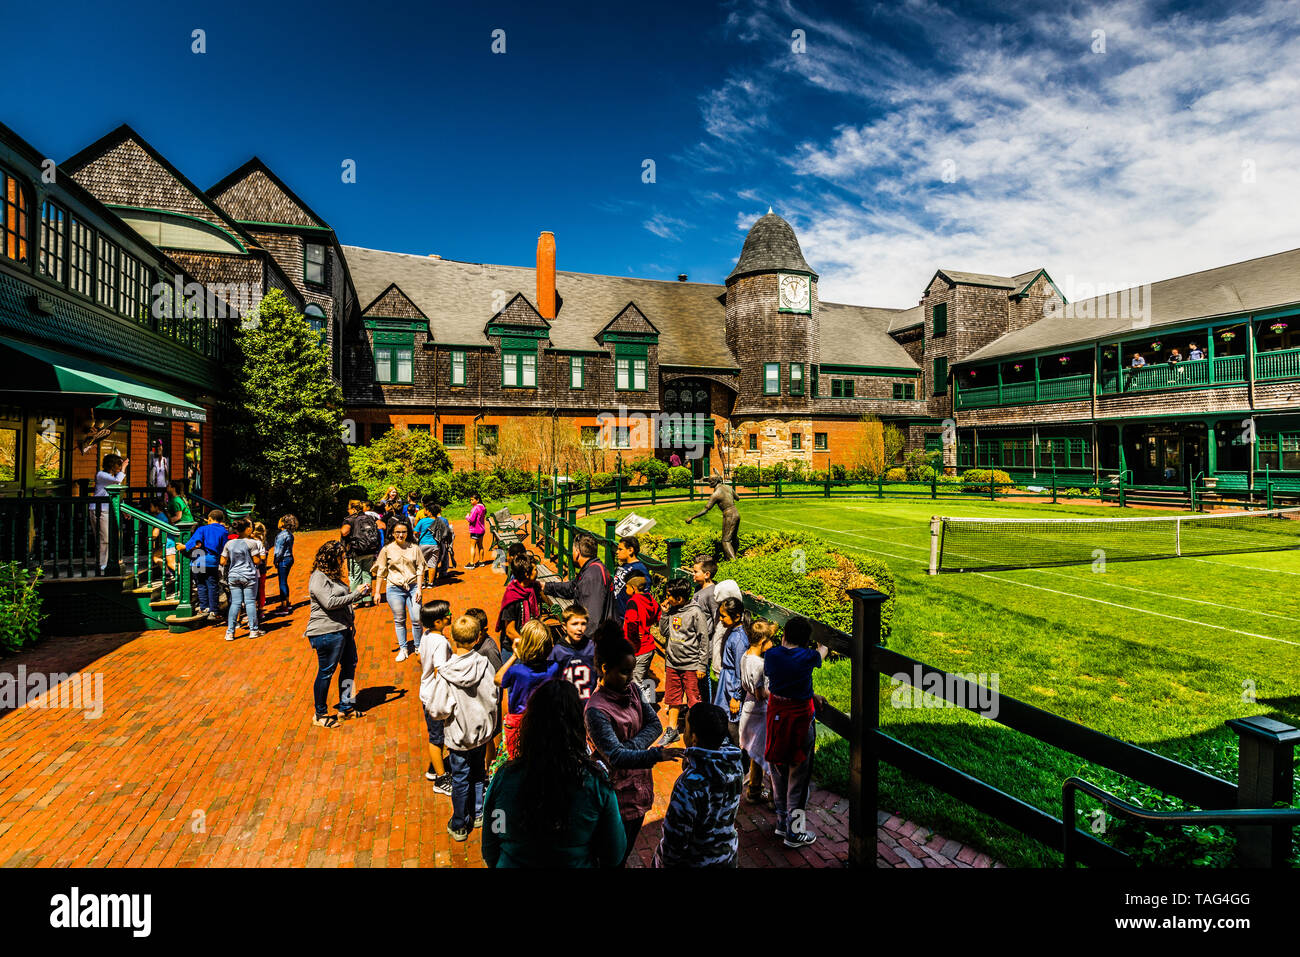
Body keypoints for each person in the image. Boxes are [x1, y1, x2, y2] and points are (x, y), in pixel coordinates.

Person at [481, 678, 627, 867]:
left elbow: (492, 841)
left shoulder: (504, 778)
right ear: (578, 726)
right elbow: (614, 853)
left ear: (530, 724)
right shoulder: (596, 783)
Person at [584, 630, 683, 865]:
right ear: (605, 668)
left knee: (624, 851)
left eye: (631, 671)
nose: (630, 678)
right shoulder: (596, 710)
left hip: (638, 788)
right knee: (610, 857)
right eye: (624, 672)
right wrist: (653, 753)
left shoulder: (634, 690)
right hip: (614, 796)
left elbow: (655, 725)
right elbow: (617, 758)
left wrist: (627, 749)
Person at [425, 614, 499, 841]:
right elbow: (493, 696)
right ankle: (477, 813)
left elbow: (438, 710)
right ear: (478, 638)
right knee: (479, 774)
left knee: (459, 779)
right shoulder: (485, 664)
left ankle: (459, 823)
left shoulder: (446, 673)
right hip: (480, 734)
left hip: (458, 738)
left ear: (452, 637)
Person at [651, 702, 744, 868]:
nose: (683, 731)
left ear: (693, 737)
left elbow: (674, 844)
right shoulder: (735, 764)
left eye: (685, 727)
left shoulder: (688, 785)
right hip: (728, 857)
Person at [764, 615, 830, 848]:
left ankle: (782, 823)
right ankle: (795, 831)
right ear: (805, 642)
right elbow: (822, 652)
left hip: (776, 721)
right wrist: (824, 644)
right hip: (800, 724)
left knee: (778, 771)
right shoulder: (808, 657)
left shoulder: (771, 656)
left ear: (784, 636)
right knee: (798, 780)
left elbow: (783, 678)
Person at [304, 540, 369, 728]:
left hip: (342, 629)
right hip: (326, 632)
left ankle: (346, 707)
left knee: (350, 665)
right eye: (341, 556)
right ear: (332, 557)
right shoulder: (318, 577)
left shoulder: (332, 576)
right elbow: (330, 603)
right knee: (326, 672)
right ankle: (320, 714)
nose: (344, 559)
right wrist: (357, 594)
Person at [495, 619, 559, 759]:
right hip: (544, 720)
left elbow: (498, 679)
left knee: (517, 762)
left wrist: (514, 656)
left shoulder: (517, 671)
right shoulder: (554, 667)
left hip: (518, 723)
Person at [658, 578, 711, 745]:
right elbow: (665, 631)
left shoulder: (696, 613)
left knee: (694, 700)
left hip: (691, 665)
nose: (667, 599)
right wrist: (665, 614)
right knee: (673, 699)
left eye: (669, 596)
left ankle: (696, 733)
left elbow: (704, 640)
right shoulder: (672, 610)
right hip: (673, 664)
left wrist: (702, 665)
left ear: (680, 598)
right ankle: (672, 730)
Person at [372, 518, 426, 662]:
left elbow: (421, 569)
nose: (401, 535)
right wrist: (377, 592)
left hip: (413, 586)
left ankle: (418, 646)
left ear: (408, 532)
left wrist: (420, 588)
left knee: (416, 617)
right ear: (393, 533)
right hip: (394, 588)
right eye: (397, 532)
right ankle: (403, 648)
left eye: (403, 532)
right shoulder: (387, 549)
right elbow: (381, 571)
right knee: (399, 619)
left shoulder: (414, 548)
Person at [418, 599, 454, 794]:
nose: (450, 615)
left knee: (437, 735)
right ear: (438, 622)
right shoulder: (440, 642)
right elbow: (440, 671)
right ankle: (440, 779)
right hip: (435, 697)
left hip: (426, 692)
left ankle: (434, 767)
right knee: (437, 737)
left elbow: (419, 658)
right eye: (447, 614)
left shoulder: (426, 635)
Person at [541, 534, 613, 629]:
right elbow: (571, 587)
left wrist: (577, 640)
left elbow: (591, 620)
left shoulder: (591, 577)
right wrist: (545, 586)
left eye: (573, 550)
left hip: (596, 639)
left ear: (577, 552)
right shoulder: (592, 568)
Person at [740, 619, 777, 803]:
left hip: (748, 709)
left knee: (755, 752)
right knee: (768, 754)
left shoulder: (744, 656)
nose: (772, 644)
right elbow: (761, 693)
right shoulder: (761, 665)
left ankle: (754, 789)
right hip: (761, 712)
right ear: (763, 642)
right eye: (770, 640)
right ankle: (773, 796)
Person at [713, 596, 749, 748]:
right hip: (725, 682)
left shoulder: (740, 639)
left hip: (732, 686)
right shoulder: (732, 631)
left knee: (731, 723)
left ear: (737, 616)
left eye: (723, 616)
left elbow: (740, 671)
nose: (720, 619)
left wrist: (736, 697)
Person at [180, 509, 228, 622]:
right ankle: (213, 611)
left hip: (198, 560)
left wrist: (184, 547)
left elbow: (196, 543)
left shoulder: (202, 529)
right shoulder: (224, 531)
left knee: (201, 584)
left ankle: (204, 608)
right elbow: (224, 547)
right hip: (212, 561)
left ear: (210, 519)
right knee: (212, 585)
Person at [220, 518, 265, 641]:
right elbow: (257, 561)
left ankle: (230, 632)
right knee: (250, 602)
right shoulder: (252, 543)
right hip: (249, 575)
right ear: (248, 529)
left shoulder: (229, 543)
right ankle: (253, 630)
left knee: (235, 603)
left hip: (233, 575)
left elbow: (222, 561)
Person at [685, 475, 740, 561]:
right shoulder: (728, 487)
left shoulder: (716, 494)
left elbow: (706, 509)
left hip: (729, 515)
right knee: (733, 538)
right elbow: (738, 498)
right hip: (736, 513)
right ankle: (734, 557)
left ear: (715, 482)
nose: (708, 484)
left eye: (710, 482)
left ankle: (733, 562)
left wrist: (692, 517)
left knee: (726, 541)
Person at [497, 554, 542, 656]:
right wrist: (529, 647)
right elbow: (509, 631)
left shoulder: (531, 589)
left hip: (528, 643)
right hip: (513, 649)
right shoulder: (511, 596)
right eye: (535, 569)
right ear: (526, 574)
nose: (537, 572)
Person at [622, 575, 660, 695]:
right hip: (649, 645)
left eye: (627, 587)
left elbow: (632, 620)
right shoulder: (649, 598)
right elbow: (658, 613)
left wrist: (632, 636)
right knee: (644, 677)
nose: (625, 590)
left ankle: (643, 710)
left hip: (639, 647)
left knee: (635, 683)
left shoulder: (633, 602)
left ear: (633, 588)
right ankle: (650, 703)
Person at [550, 604, 595, 701]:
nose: (579, 628)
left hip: (588, 706)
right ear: (564, 626)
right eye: (574, 624)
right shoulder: (558, 651)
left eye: (583, 623)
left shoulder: (592, 647)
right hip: (567, 707)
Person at [92, 453, 128, 572]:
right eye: (117, 465)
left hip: (108, 510)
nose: (119, 467)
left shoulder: (108, 477)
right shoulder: (101, 475)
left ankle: (107, 561)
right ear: (111, 465)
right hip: (99, 510)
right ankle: (102, 563)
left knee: (109, 538)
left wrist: (122, 510)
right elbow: (117, 481)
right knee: (104, 538)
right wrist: (123, 468)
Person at [340, 501, 380, 607]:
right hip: (369, 550)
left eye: (348, 509)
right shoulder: (369, 517)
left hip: (355, 552)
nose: (348, 511)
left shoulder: (350, 520)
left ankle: (355, 600)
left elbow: (344, 532)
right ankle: (367, 599)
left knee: (355, 576)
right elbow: (382, 525)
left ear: (353, 509)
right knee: (367, 574)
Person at [610, 536, 650, 624]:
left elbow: (644, 597)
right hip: (616, 615)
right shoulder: (622, 566)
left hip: (628, 619)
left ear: (630, 550)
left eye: (620, 549)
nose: (617, 552)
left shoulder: (640, 569)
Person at [271, 514, 297, 616]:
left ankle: (284, 606)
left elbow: (278, 551)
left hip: (283, 560)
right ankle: (286, 602)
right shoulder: (289, 534)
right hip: (289, 558)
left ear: (283, 523)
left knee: (282, 583)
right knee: (284, 582)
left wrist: (275, 560)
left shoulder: (281, 535)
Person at [251, 521, 272, 620]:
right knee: (261, 589)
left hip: (255, 569)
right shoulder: (265, 542)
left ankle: (256, 610)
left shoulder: (254, 542)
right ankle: (260, 609)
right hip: (262, 569)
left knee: (254, 590)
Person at [465, 493, 488, 568]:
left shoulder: (475, 508)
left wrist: (467, 517)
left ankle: (471, 563)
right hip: (481, 530)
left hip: (475, 530)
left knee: (472, 546)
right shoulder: (483, 507)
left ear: (477, 500)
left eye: (472, 500)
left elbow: (471, 519)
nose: (471, 501)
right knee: (480, 546)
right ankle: (481, 562)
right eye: (470, 500)